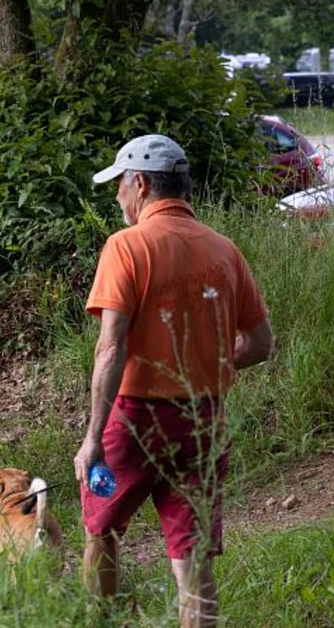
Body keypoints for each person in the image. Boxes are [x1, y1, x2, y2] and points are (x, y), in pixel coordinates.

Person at [74, 135, 274, 628]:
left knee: (102, 530)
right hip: (204, 419)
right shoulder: (224, 250)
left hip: (136, 418)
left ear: (139, 183)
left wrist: (93, 438)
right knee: (193, 557)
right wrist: (212, 365)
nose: (119, 195)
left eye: (120, 183)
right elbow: (262, 342)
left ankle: (100, 620)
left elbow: (111, 347)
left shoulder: (126, 246)